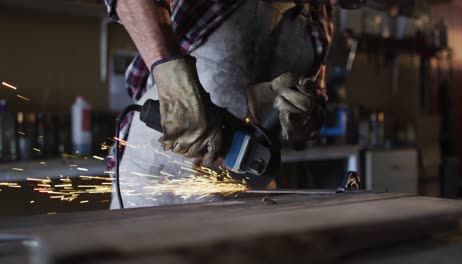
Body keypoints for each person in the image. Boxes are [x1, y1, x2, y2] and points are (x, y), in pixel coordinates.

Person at [106, 0, 336, 208]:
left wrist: (301, 119)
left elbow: (313, 113)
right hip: (157, 175)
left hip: (247, 185)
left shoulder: (321, 17)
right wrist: (171, 78)